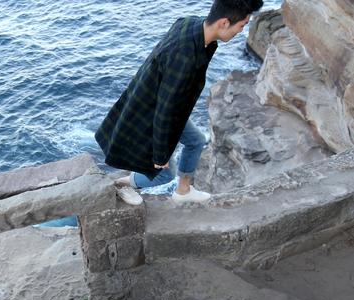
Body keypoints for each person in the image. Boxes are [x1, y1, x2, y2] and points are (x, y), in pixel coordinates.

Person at [95, 0, 263, 206]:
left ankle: (183, 191)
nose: (242, 30)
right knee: (164, 173)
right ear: (224, 23)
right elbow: (165, 109)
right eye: (242, 25)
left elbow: (171, 96)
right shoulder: (185, 57)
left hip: (166, 107)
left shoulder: (190, 24)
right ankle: (122, 184)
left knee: (196, 141)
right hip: (152, 113)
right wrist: (160, 155)